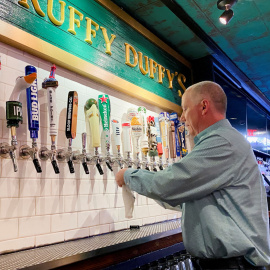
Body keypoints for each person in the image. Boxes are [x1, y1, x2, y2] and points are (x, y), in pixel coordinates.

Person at [115, 81, 270, 269]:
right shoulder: (223, 141)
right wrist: (155, 187)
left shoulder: (221, 142)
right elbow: (181, 195)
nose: (182, 117)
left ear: (204, 106)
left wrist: (129, 176)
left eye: (185, 109)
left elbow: (171, 185)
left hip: (234, 265)